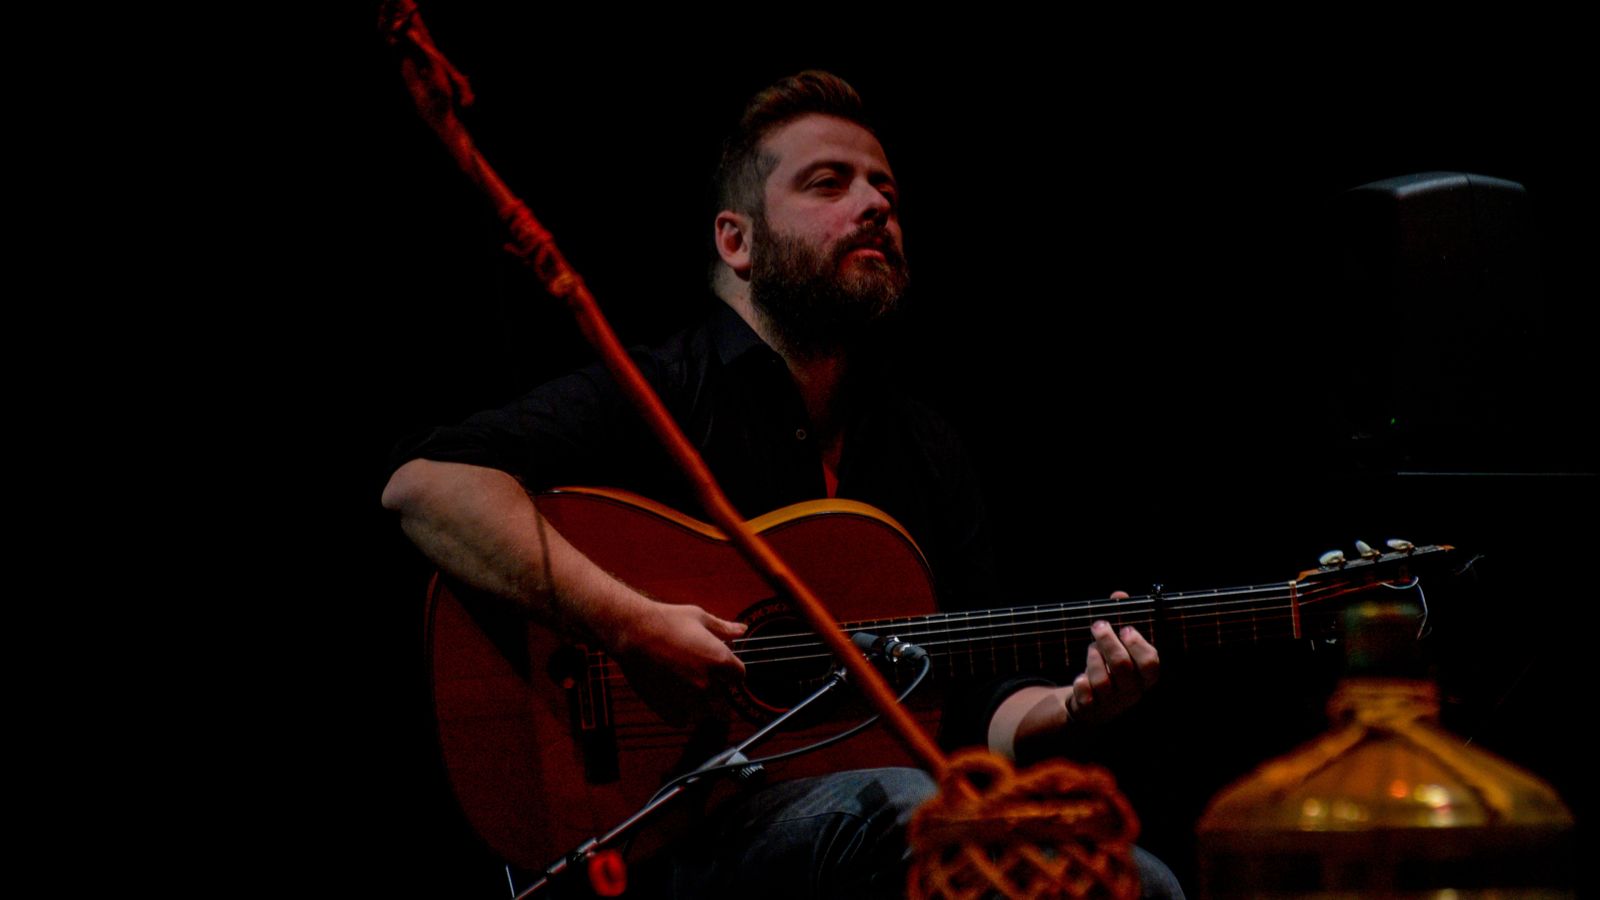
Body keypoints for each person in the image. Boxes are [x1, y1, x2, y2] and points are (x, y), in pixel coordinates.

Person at [383, 70, 1178, 898]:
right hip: (663, 831)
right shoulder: (663, 391)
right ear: (738, 241)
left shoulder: (923, 447)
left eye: (886, 189)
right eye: (829, 183)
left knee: (1137, 878)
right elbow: (426, 485)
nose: (874, 204)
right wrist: (634, 626)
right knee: (903, 811)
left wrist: (1071, 706)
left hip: (852, 820)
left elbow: (969, 705)